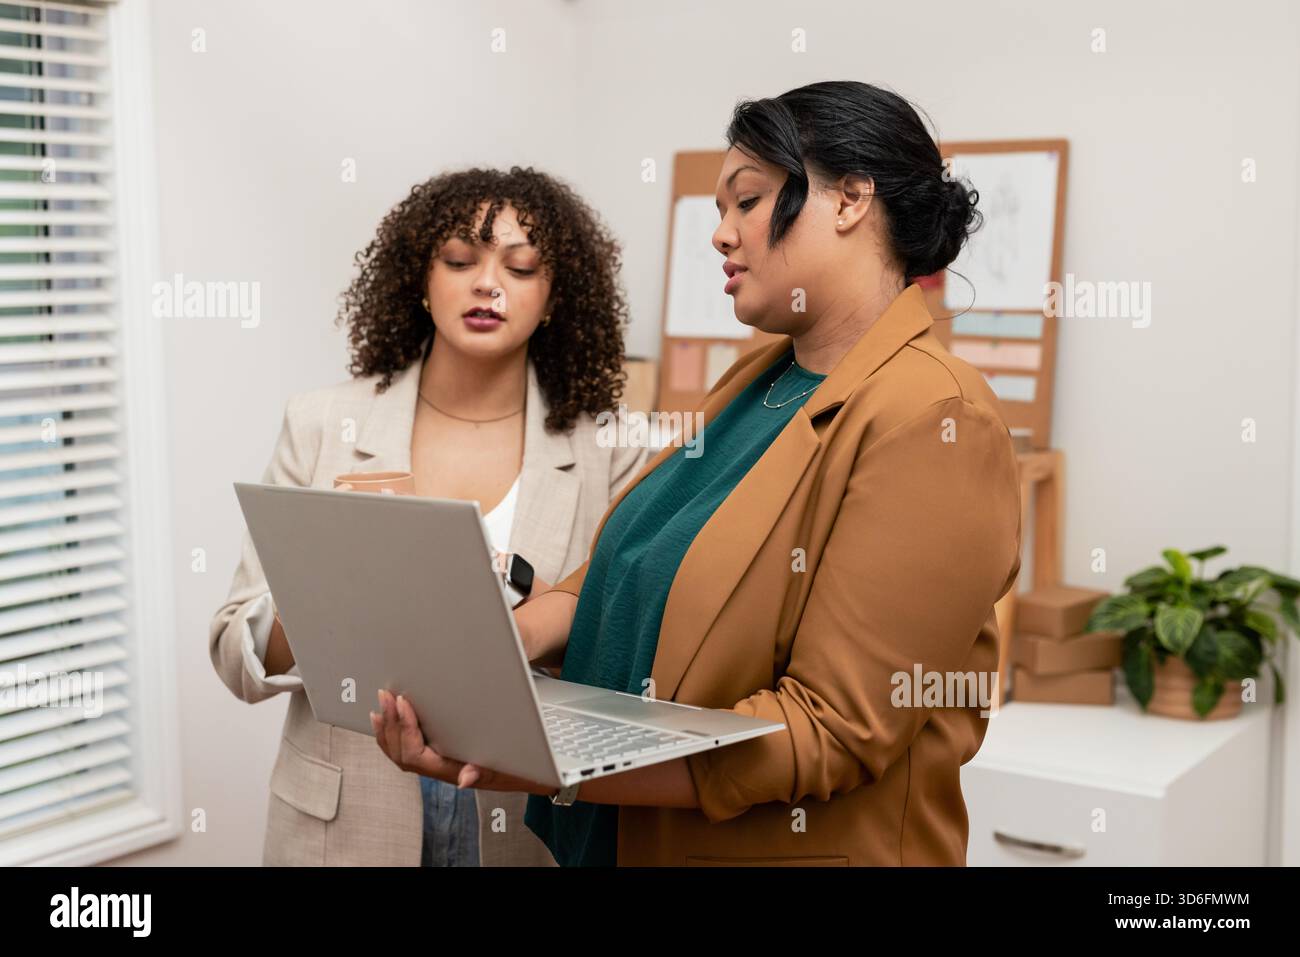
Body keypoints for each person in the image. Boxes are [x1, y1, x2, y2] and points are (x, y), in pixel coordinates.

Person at [373, 81, 1022, 866]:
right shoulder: (758, 383)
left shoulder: (935, 419)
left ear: (851, 199)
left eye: (747, 202)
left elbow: (830, 729)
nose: (721, 234)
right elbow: (624, 572)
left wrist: (548, 763)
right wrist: (501, 644)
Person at [210, 167, 646, 866]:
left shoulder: (612, 449)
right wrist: (320, 603)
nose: (488, 284)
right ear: (420, 278)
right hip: (343, 824)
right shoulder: (322, 423)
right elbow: (236, 651)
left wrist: (524, 621)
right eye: (459, 260)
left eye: (522, 266)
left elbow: (623, 657)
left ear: (555, 296)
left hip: (520, 822)